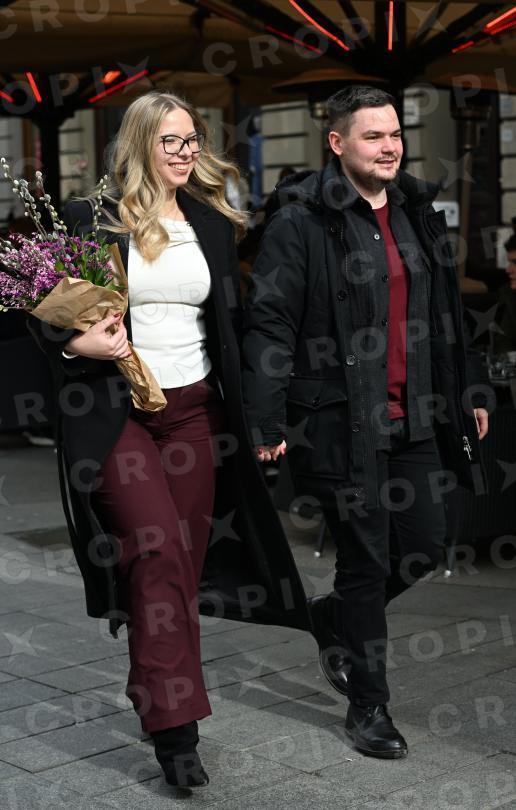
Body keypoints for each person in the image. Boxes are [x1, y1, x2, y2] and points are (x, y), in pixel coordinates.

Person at [28, 90, 309, 789]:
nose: (186, 153)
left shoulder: (211, 224)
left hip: (195, 414)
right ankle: (175, 729)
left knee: (178, 564)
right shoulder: (90, 218)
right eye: (171, 141)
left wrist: (264, 417)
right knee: (154, 549)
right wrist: (74, 344)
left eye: (192, 140)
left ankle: (156, 688)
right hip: (117, 412)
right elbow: (39, 312)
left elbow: (232, 327)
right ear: (140, 144)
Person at [241, 85, 490, 760]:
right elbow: (271, 323)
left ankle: (332, 617)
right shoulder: (301, 220)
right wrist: (265, 418)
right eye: (373, 136)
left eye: (395, 134)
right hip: (341, 419)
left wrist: (470, 388)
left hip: (418, 416)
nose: (389, 147)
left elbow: (446, 311)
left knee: (426, 544)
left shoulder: (415, 210)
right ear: (337, 143)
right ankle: (368, 705)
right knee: (365, 558)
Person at [494, 232, 516, 354]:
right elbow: (503, 344)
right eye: (509, 263)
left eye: (515, 263)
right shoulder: (509, 295)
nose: (508, 270)